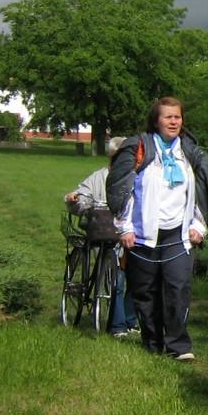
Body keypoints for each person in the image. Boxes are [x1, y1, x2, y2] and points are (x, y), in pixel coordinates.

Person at [106, 97, 208, 361]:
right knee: (145, 292)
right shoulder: (140, 148)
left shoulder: (188, 152)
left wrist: (198, 225)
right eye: (168, 117)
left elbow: (199, 194)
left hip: (178, 236)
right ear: (156, 120)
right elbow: (123, 188)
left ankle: (179, 345)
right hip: (142, 234)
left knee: (177, 289)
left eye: (178, 117)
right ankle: (152, 341)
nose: (174, 122)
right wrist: (124, 227)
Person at [64, 135, 138, 337]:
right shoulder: (99, 177)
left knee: (135, 277)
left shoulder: (137, 176)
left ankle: (130, 321)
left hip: (131, 236)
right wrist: (74, 198)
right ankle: (118, 325)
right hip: (104, 233)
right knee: (119, 280)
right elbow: (81, 198)